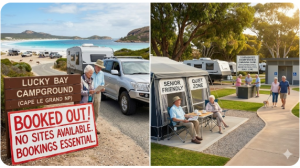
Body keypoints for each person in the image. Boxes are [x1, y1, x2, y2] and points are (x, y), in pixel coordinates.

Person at [92, 60, 106, 134]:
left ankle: (94, 127)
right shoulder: (90, 72)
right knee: (89, 111)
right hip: (90, 94)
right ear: (95, 66)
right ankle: (89, 128)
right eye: (98, 67)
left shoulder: (102, 73)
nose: (99, 68)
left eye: (101, 67)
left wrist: (102, 88)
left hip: (98, 94)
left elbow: (103, 83)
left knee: (96, 112)